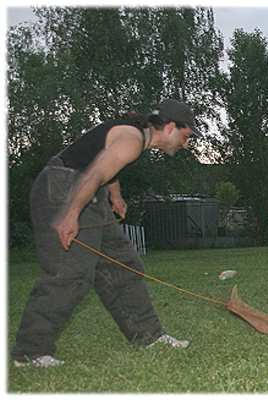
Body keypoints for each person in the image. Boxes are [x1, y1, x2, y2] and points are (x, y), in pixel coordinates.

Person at [11, 99, 201, 367]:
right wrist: (70, 215)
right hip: (66, 188)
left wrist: (116, 196)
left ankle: (149, 337)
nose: (185, 144)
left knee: (122, 264)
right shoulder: (132, 139)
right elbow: (94, 175)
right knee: (71, 272)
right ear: (170, 127)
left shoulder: (134, 134)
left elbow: (104, 164)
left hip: (85, 190)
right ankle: (30, 352)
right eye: (186, 136)